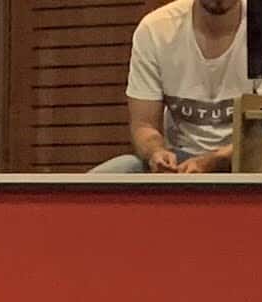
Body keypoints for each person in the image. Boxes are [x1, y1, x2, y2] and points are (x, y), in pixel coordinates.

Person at [98, 0, 246, 175]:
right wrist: (156, 152)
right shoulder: (155, 29)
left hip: (248, 158)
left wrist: (215, 160)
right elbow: (144, 125)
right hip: (180, 160)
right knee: (121, 167)